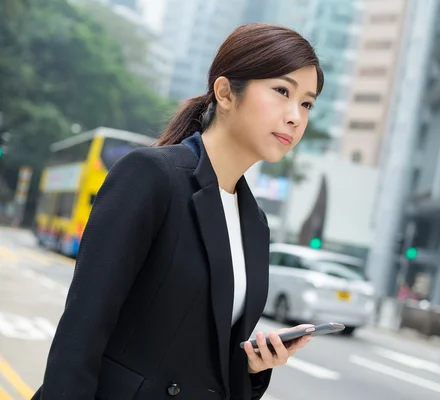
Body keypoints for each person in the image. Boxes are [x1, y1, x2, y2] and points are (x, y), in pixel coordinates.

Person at [32, 23, 324, 400]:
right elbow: (80, 335)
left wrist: (251, 368)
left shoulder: (255, 222)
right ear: (225, 92)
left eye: (307, 103)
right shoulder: (151, 177)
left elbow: (203, 364)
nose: (295, 116)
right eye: (282, 91)